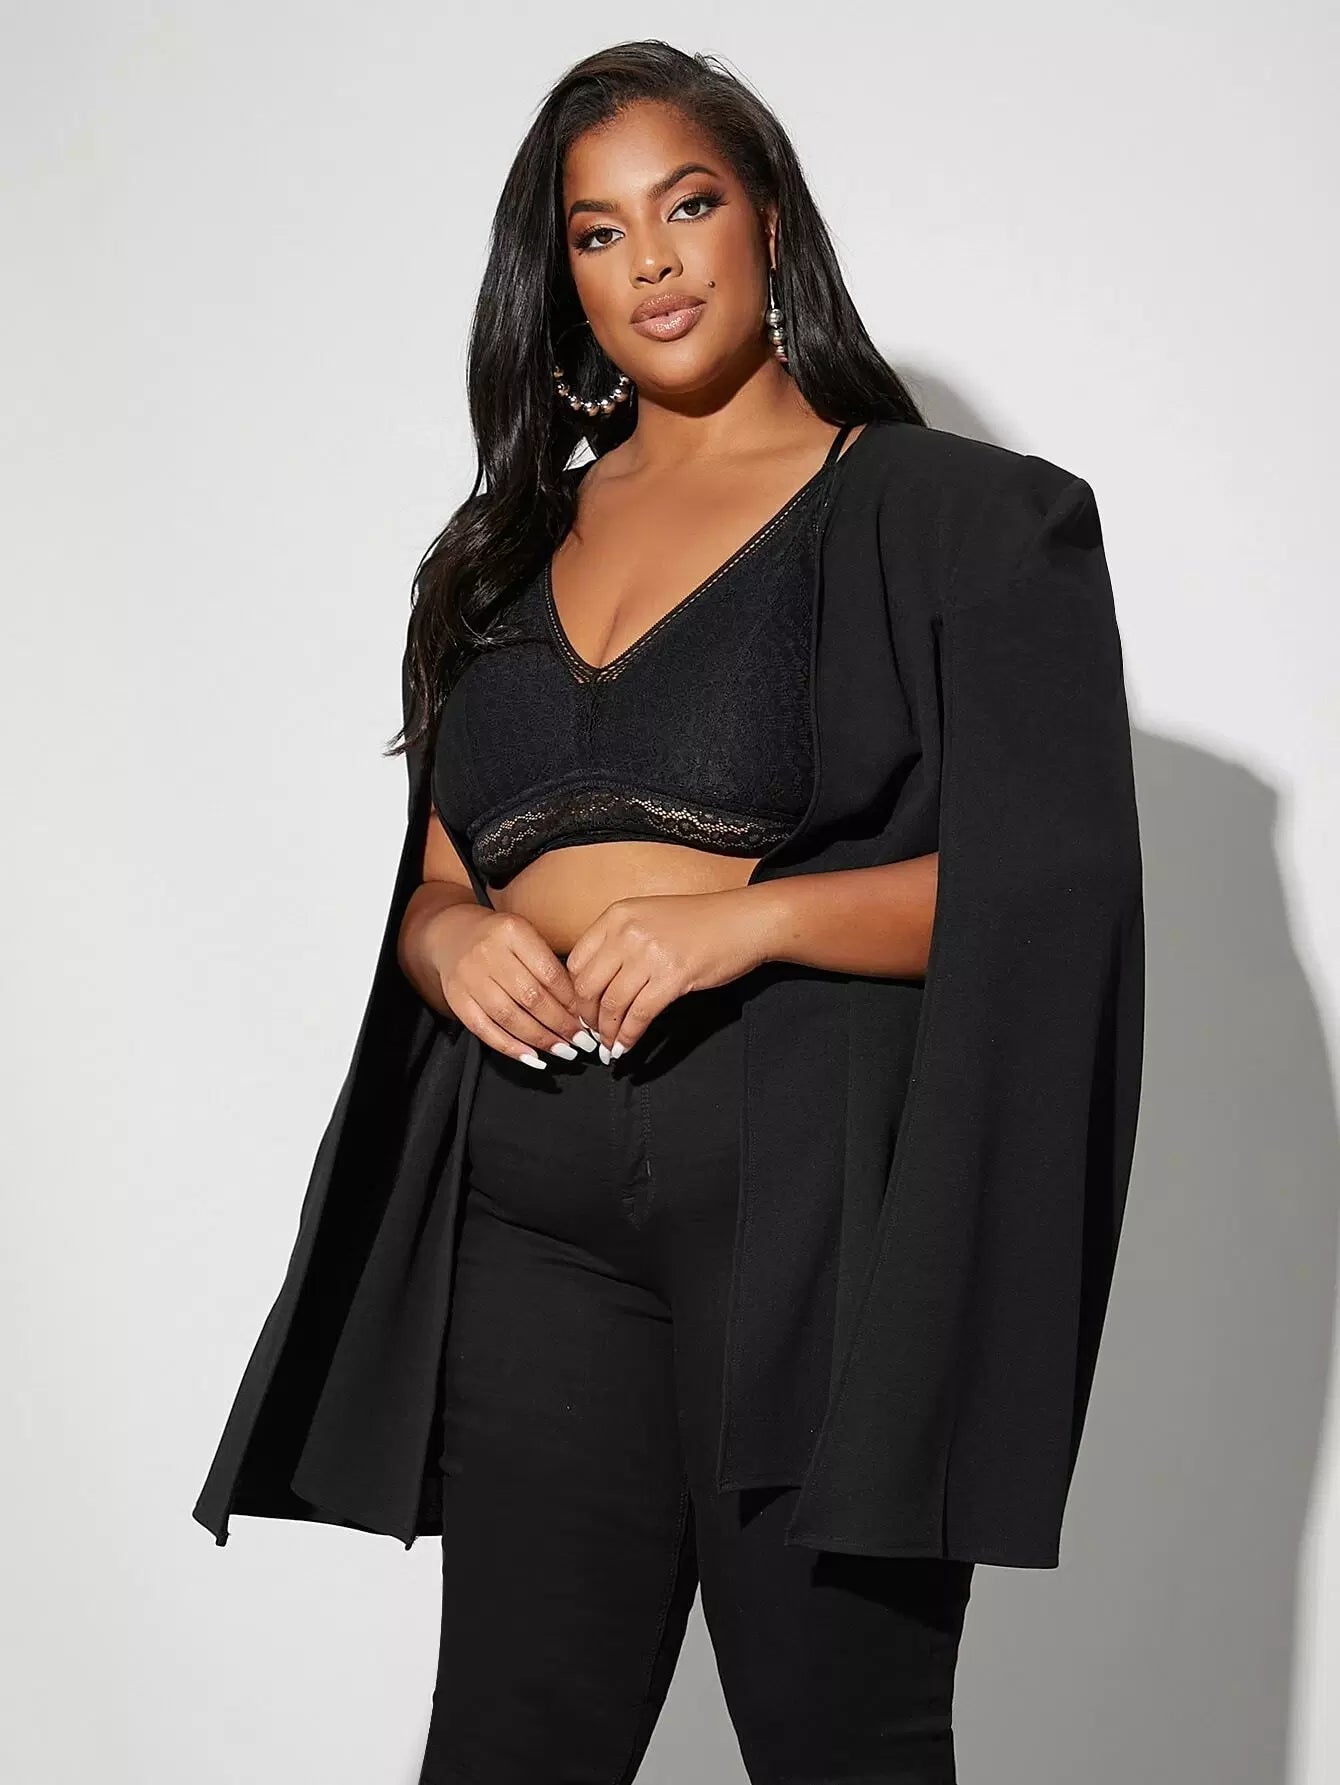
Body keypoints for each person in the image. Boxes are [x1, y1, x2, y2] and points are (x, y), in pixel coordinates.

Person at [193, 40, 1146, 1785]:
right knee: (508, 1743)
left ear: (768, 218)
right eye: (597, 230)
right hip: (531, 1204)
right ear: (556, 274)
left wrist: (750, 924)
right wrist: (448, 943)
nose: (650, 260)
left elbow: (1050, 904)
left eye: (688, 204)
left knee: (839, 1742)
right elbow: (440, 878)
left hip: (807, 1198)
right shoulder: (492, 560)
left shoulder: (959, 521)